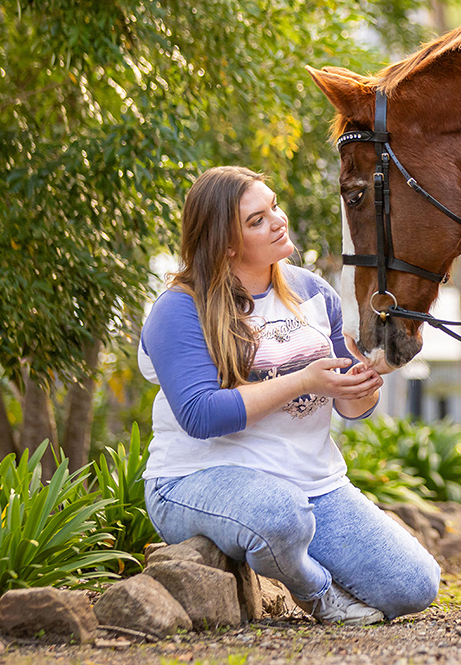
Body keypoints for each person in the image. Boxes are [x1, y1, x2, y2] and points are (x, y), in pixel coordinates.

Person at [140, 165, 439, 625]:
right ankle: (314, 591)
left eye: (273, 206)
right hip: (194, 479)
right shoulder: (180, 307)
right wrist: (302, 381)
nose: (278, 220)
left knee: (415, 585)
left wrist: (361, 384)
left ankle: (283, 550)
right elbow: (200, 415)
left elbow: (350, 404)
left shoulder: (312, 291)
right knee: (280, 514)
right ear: (226, 242)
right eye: (256, 220)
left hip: (312, 484)